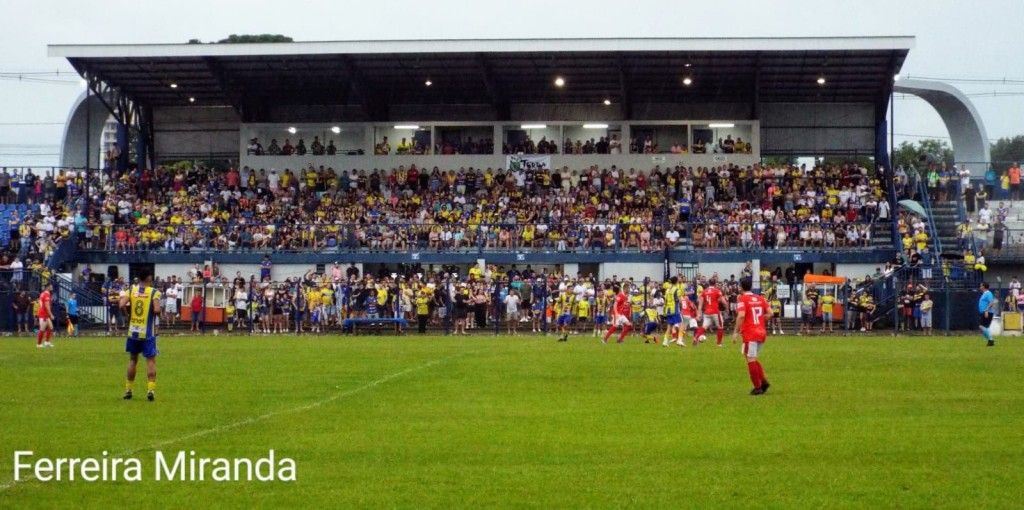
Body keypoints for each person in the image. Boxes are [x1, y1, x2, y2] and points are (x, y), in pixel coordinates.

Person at [120, 273, 162, 401]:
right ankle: (150, 390)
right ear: (149, 278)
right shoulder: (154, 292)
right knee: (150, 360)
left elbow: (121, 305)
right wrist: (159, 315)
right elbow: (156, 309)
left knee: (133, 360)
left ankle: (128, 390)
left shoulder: (131, 290)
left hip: (133, 331)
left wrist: (127, 316)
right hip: (148, 332)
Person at [733, 278, 771, 395]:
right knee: (751, 357)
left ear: (741, 287)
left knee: (750, 359)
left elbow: (741, 315)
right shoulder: (760, 298)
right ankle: (763, 381)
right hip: (761, 332)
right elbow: (770, 313)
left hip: (751, 333)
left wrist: (735, 331)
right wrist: (760, 320)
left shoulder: (742, 299)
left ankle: (758, 387)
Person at [697, 281, 728, 346]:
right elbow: (724, 302)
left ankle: (696, 338)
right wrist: (727, 308)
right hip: (715, 312)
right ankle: (719, 344)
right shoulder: (717, 291)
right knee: (720, 327)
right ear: (715, 284)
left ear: (709, 284)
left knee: (704, 327)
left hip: (706, 312)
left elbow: (700, 303)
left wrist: (699, 313)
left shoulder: (704, 291)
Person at [978, 282, 996, 347]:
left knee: (981, 326)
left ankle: (990, 340)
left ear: (984, 287)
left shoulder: (988, 293)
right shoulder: (984, 293)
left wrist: (986, 310)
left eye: (981, 286)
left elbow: (991, 302)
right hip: (984, 312)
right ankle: (990, 341)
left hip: (987, 312)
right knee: (986, 327)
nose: (980, 287)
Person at [36, 283, 54, 348]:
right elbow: (47, 306)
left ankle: (47, 342)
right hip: (44, 314)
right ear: (47, 287)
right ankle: (39, 344)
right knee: (42, 329)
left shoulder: (43, 293)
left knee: (51, 327)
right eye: (51, 286)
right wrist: (51, 314)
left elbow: (41, 303)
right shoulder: (46, 294)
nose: (52, 287)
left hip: (44, 313)